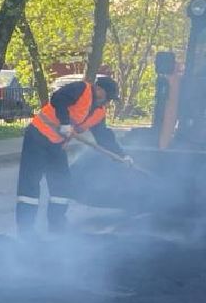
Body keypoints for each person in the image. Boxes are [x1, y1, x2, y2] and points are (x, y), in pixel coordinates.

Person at [16, 75, 127, 233]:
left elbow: (104, 136)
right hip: (37, 136)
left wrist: (122, 155)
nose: (107, 102)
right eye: (107, 97)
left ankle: (57, 225)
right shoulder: (81, 89)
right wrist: (65, 122)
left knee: (62, 183)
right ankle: (25, 230)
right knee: (30, 183)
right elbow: (58, 98)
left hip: (57, 145)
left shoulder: (99, 112)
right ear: (99, 89)